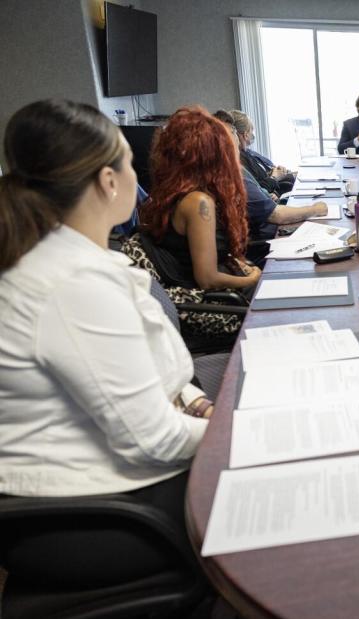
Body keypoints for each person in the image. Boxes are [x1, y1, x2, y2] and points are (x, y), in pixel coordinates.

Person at [0, 99, 210, 519]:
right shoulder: (70, 285)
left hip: (101, 487)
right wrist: (244, 435)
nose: (138, 177)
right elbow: (155, 441)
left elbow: (140, 370)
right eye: (131, 164)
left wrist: (201, 405)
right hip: (100, 515)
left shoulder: (68, 259)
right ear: (109, 181)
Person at [139, 106, 261, 291]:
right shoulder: (198, 202)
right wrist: (253, 280)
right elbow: (207, 279)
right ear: (211, 155)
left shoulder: (176, 192)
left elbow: (194, 254)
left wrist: (237, 263)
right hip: (214, 304)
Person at [213, 111, 328, 258]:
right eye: (231, 132)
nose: (234, 137)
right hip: (261, 239)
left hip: (261, 232)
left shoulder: (235, 167)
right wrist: (314, 209)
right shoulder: (231, 174)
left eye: (233, 131)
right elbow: (277, 215)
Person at [230, 109, 294, 195]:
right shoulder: (239, 160)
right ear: (245, 135)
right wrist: (274, 177)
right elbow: (258, 191)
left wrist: (273, 172)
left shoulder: (249, 153)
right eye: (251, 130)